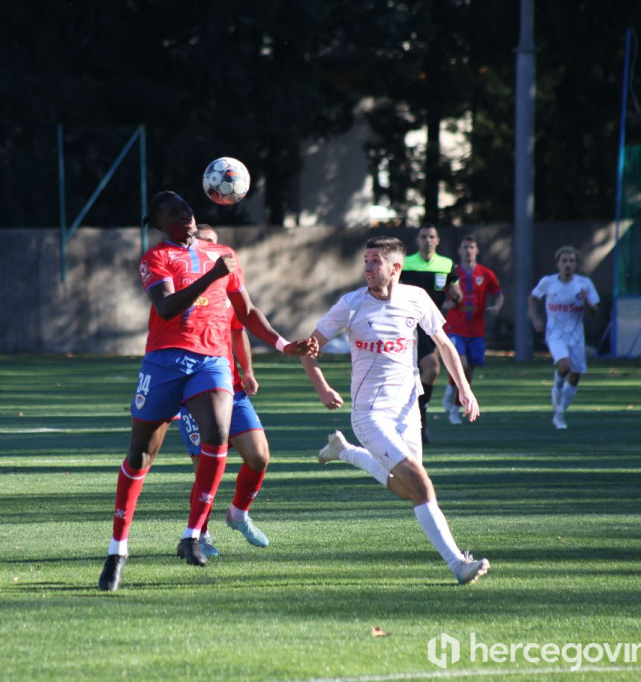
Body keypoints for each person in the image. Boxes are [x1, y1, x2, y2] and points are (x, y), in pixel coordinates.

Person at [98, 192, 317, 592]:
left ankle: (193, 536)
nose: (187, 215)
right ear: (161, 224)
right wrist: (212, 276)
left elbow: (247, 312)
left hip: (212, 361)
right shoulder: (156, 258)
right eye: (175, 212)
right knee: (140, 455)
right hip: (164, 362)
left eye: (187, 207)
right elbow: (166, 308)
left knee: (218, 437)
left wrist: (285, 345)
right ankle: (117, 550)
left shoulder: (224, 254)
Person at [300, 236, 490, 585]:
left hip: (408, 409)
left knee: (404, 488)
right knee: (420, 483)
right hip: (369, 414)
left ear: (395, 268)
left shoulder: (416, 299)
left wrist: (464, 388)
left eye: (375, 261)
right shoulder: (351, 304)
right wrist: (322, 387)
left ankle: (344, 452)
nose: (368, 267)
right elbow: (308, 349)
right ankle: (457, 563)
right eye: (366, 260)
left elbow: (444, 344)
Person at [175, 225, 272, 557]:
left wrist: (248, 371)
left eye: (216, 246)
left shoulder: (230, 292)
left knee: (259, 456)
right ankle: (198, 536)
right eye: (205, 245)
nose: (213, 253)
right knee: (207, 469)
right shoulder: (185, 289)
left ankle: (238, 514)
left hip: (231, 389)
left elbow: (238, 331)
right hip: (193, 395)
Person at [398, 225, 459, 444]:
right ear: (417, 240)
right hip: (407, 325)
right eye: (424, 236)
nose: (427, 240)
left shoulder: (446, 264)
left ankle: (418, 418)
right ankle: (414, 421)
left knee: (429, 371)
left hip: (431, 325)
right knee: (425, 370)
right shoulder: (406, 263)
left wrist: (456, 295)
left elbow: (454, 294)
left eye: (431, 236)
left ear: (438, 240)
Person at [527, 246, 599, 429]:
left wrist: (586, 302)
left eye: (571, 261)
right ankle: (557, 386)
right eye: (564, 261)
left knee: (576, 375)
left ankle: (559, 414)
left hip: (576, 336)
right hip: (555, 334)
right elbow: (533, 298)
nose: (568, 264)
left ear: (576, 264)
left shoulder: (584, 283)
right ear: (558, 263)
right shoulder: (548, 282)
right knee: (565, 367)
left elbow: (595, 310)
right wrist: (535, 319)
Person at [440, 235, 504, 425]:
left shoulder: (485, 273)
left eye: (471, 247)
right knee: (463, 364)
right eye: (465, 247)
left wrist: (497, 307)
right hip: (455, 327)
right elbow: (438, 296)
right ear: (459, 251)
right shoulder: (451, 272)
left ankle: (453, 395)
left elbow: (499, 294)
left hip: (476, 330)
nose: (468, 251)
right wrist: (447, 304)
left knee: (469, 372)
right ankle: (453, 408)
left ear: (476, 251)